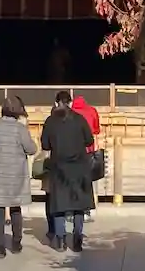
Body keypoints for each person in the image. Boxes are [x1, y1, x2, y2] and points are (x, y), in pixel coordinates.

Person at [40, 90, 95, 252]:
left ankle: (61, 240)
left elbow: (45, 145)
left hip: (59, 168)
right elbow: (89, 140)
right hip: (79, 167)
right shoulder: (79, 119)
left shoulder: (50, 121)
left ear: (56, 103)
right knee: (79, 205)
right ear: (70, 103)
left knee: (59, 205)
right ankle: (77, 239)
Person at [0, 96, 37, 258]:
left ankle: (0, 247)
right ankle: (16, 242)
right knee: (15, 208)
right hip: (15, 174)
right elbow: (31, 149)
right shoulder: (20, 129)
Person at [71, 93, 102, 222]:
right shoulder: (92, 111)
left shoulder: (70, 112)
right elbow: (96, 130)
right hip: (88, 151)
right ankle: (86, 210)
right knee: (86, 181)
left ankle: (72, 210)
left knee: (73, 180)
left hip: (72, 151)